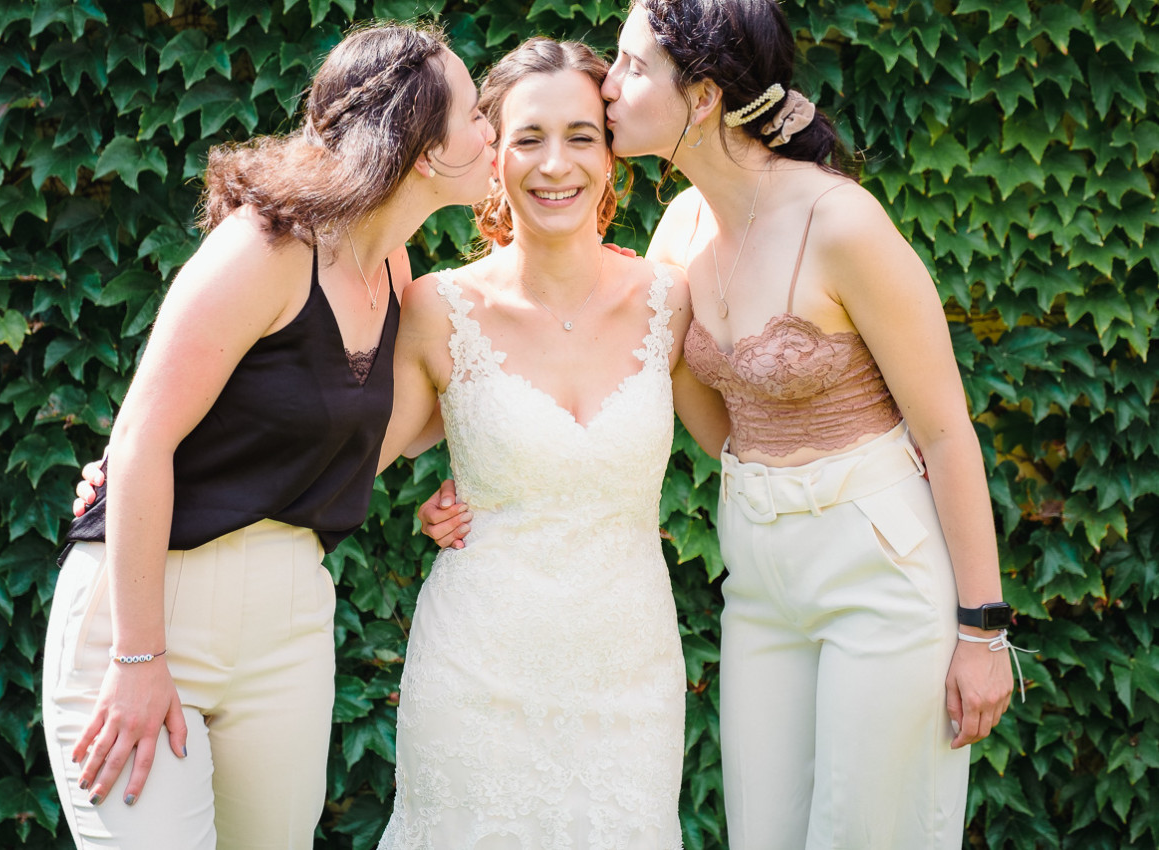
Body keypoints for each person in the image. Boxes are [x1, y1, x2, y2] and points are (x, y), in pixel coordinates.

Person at [423, 1, 1021, 847]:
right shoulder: (678, 232)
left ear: (700, 98)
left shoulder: (841, 223)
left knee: (867, 831)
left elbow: (947, 432)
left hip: (878, 566)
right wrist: (500, 472)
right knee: (760, 831)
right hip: (758, 573)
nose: (607, 86)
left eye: (630, 66)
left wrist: (981, 629)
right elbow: (646, 396)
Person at [42, 24, 496, 849]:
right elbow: (142, 440)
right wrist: (139, 660)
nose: (492, 132)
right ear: (426, 150)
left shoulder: (393, 270)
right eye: (476, 114)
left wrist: (498, 462)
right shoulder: (266, 248)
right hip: (152, 609)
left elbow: (370, 439)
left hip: (289, 620)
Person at [373, 36, 705, 848]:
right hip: (477, 672)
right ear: (492, 152)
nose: (555, 164)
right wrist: (149, 459)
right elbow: (343, 453)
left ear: (610, 150)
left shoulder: (671, 298)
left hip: (630, 676)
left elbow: (752, 438)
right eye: (528, 138)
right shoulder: (435, 307)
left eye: (580, 136)